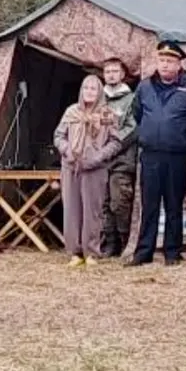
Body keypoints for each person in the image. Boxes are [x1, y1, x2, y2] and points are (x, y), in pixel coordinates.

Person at [129, 38, 186, 267]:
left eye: (170, 61)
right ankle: (143, 252)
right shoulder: (144, 87)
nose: (165, 64)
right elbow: (137, 114)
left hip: (177, 156)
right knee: (149, 204)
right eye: (162, 60)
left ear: (179, 64)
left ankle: (172, 252)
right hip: (151, 155)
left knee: (174, 204)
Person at [55, 75, 122, 266]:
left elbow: (115, 142)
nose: (89, 92)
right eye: (86, 88)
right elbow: (59, 136)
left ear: (99, 92)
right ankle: (75, 252)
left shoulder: (107, 115)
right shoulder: (71, 112)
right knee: (72, 210)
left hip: (95, 169)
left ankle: (91, 251)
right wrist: (67, 150)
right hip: (71, 166)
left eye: (93, 89)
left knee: (92, 211)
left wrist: (99, 156)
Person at [97, 57, 138, 259]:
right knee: (103, 203)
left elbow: (133, 127)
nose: (111, 75)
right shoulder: (97, 99)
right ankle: (109, 243)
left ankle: (124, 241)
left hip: (121, 159)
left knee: (119, 201)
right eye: (108, 72)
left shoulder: (131, 99)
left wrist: (113, 145)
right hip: (99, 160)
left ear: (122, 74)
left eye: (115, 71)